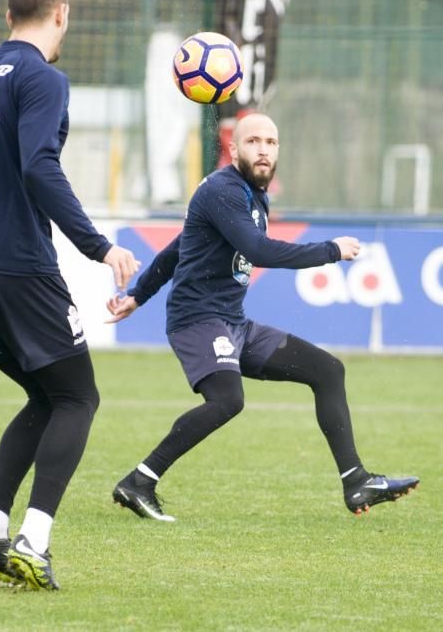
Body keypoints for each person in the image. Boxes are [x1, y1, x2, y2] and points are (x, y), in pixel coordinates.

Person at [0, 0, 140, 590]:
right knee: (78, 397)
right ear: (61, 13)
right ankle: (33, 540)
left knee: (46, 397)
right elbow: (38, 168)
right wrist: (99, 247)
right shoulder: (42, 77)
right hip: (15, 267)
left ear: (7, 14)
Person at [106, 112, 419, 522]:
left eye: (271, 143)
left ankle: (356, 480)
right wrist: (330, 250)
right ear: (234, 149)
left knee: (327, 370)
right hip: (198, 319)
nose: (264, 150)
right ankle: (139, 481)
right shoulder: (223, 189)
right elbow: (260, 251)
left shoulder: (252, 193)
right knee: (227, 400)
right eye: (253, 142)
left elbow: (178, 247)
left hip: (234, 322)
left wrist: (136, 295)